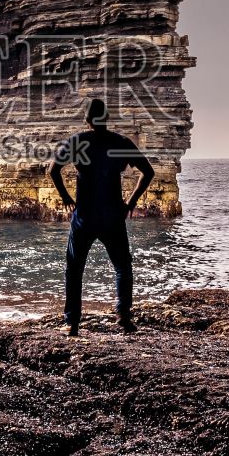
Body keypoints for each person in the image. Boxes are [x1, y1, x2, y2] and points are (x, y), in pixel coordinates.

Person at [50, 97, 155, 335]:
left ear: (86, 120)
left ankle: (73, 323)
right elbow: (148, 172)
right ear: (106, 118)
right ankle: (124, 317)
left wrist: (67, 198)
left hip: (85, 216)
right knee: (122, 266)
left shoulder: (78, 142)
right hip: (112, 215)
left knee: (75, 269)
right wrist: (131, 201)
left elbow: (53, 170)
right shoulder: (120, 143)